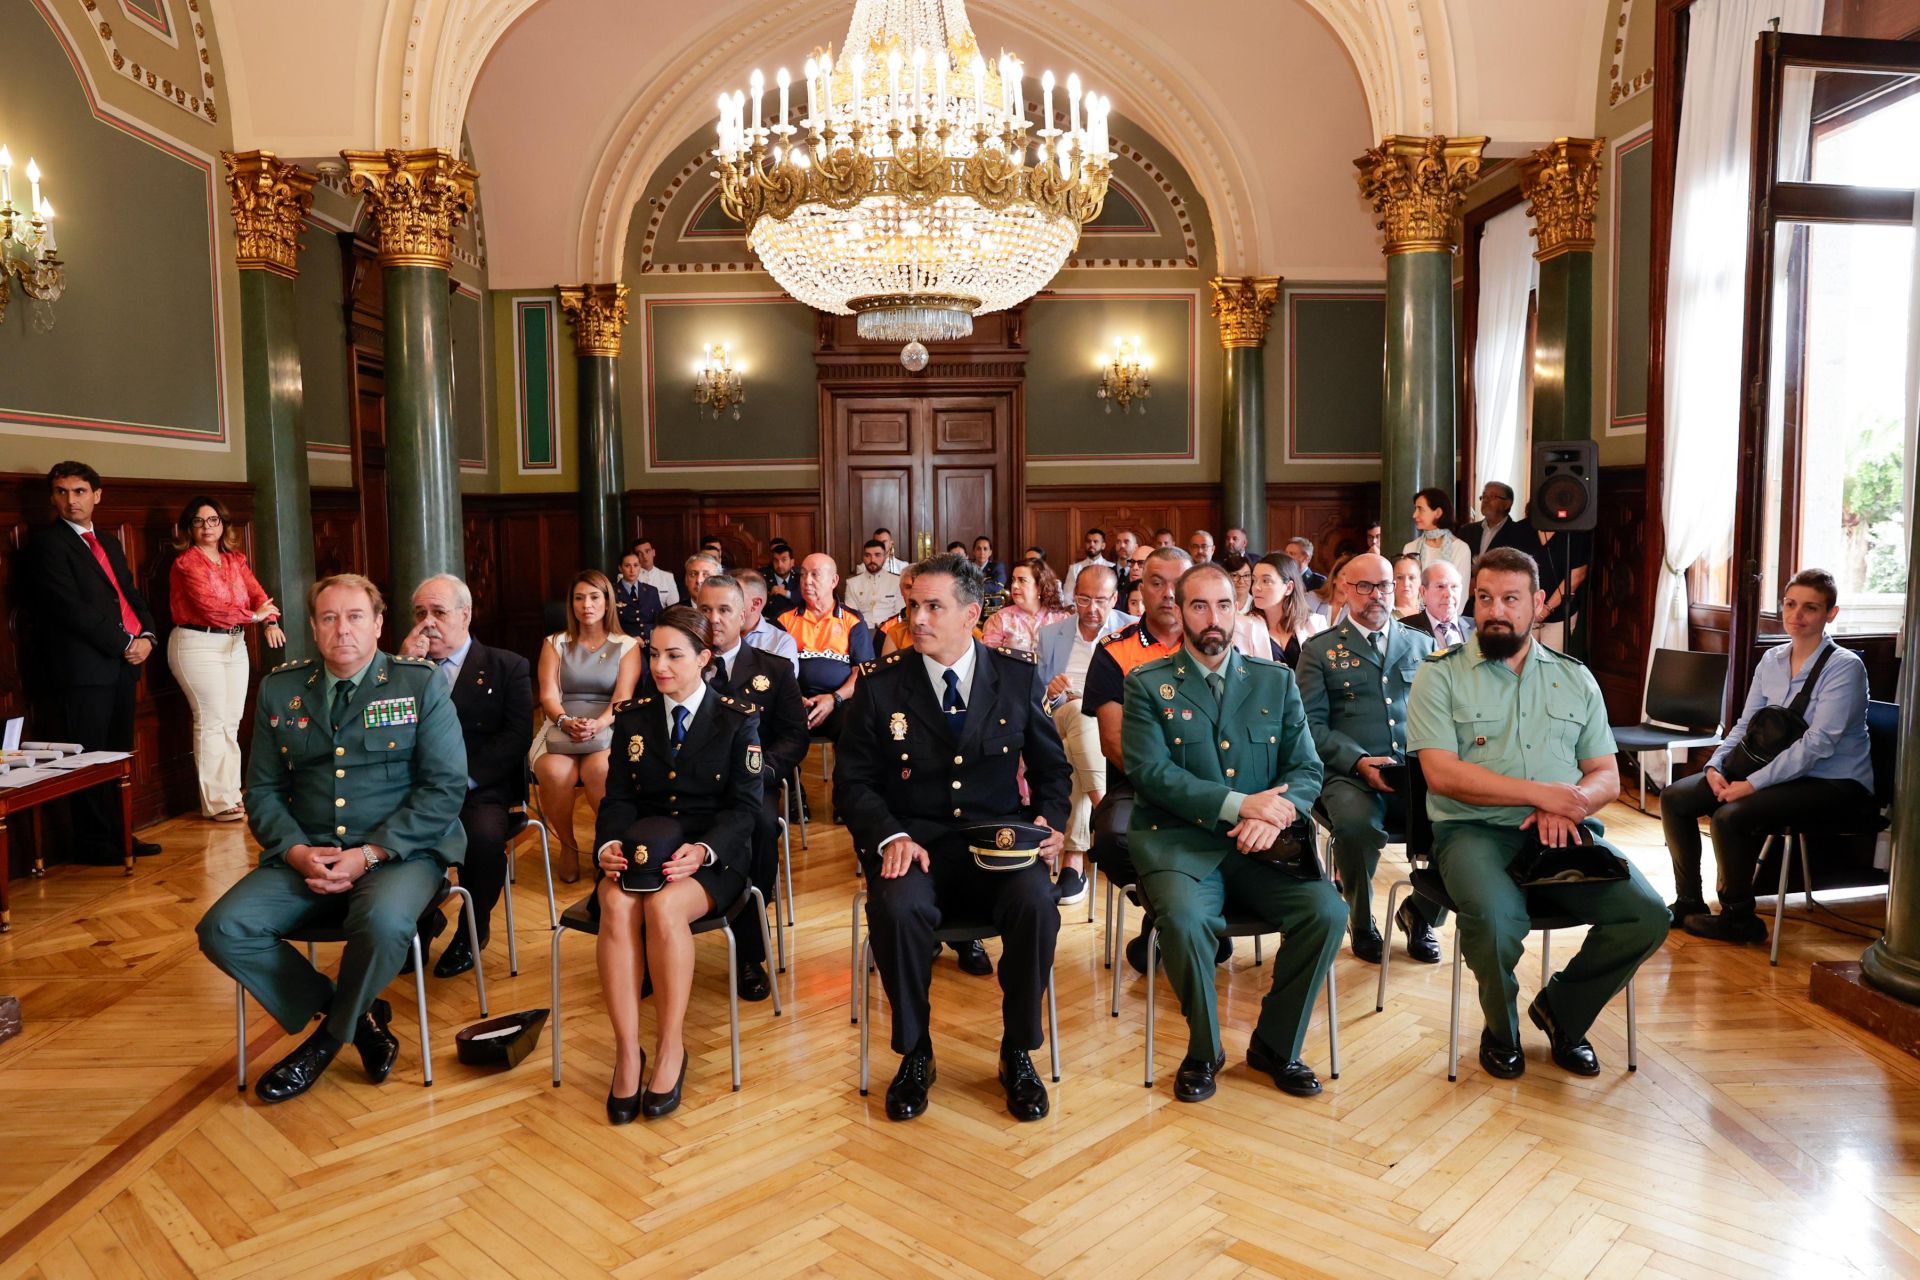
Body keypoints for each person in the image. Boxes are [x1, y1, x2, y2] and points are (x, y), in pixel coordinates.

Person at [196, 574, 465, 1103]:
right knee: (224, 928)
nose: (342, 629)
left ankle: (324, 1042)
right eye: (329, 618)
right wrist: (295, 851)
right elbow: (265, 789)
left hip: (400, 852)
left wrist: (371, 853)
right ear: (314, 628)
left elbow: (445, 787)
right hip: (308, 854)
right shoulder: (282, 687)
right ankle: (359, 1017)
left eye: (355, 616)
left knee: (384, 922)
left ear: (379, 624)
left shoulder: (418, 683)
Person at [1406, 547, 1669, 1080]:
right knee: (1499, 921)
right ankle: (1500, 1031)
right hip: (1472, 832)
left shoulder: (1576, 678)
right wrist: (1542, 794)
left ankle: (1562, 1014)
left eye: (1510, 598)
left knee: (1646, 915)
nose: (1494, 610)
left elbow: (1604, 776)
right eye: (1484, 598)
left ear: (1539, 605)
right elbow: (1443, 775)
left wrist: (1569, 805)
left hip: (1564, 832)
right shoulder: (1441, 675)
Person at [834, 554, 1072, 1123]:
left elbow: (1052, 770)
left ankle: (1018, 1049)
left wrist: (1048, 821)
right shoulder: (881, 686)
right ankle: (916, 1053)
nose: (917, 618)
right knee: (896, 906)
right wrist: (888, 835)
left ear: (970, 615)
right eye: (913, 605)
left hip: (998, 847)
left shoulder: (1014, 676)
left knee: (1038, 902)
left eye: (933, 607)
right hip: (915, 845)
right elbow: (853, 783)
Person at [1123, 562, 1343, 1102]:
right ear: (1179, 612)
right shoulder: (1147, 685)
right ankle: (1204, 1050)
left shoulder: (1276, 679)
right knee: (1184, 919)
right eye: (1199, 606)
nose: (1213, 618)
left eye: (1223, 605)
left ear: (1238, 608)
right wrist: (1241, 805)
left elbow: (1307, 769)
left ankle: (1275, 1045)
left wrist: (1278, 815)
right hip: (1180, 843)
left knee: (1328, 912)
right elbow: (1152, 774)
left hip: (1265, 847)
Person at [592, 606, 763, 1122]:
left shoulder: (737, 718)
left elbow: (745, 809)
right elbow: (618, 798)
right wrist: (607, 847)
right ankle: (627, 1052)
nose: (660, 666)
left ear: (704, 659)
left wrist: (703, 850)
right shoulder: (635, 717)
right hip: (643, 850)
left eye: (673, 655)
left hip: (711, 857)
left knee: (664, 909)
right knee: (617, 908)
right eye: (653, 654)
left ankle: (670, 1047)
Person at [1664, 569, 1875, 944]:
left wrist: (1751, 785)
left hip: (1835, 783)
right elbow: (1745, 725)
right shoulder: (1772, 659)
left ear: (1831, 613)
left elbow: (1818, 745)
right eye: (1791, 604)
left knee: (1730, 816)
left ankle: (1738, 918)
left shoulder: (1845, 666)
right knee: (1675, 798)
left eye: (1811, 608)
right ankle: (1689, 901)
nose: (1797, 615)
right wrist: (1715, 766)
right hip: (1774, 772)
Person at [1297, 553, 1443, 965]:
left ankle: (1421, 912)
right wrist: (1359, 761)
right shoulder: (1320, 651)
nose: (1376, 596)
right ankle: (1360, 920)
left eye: (1384, 586)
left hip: (1416, 771)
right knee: (1359, 826)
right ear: (1344, 589)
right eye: (1365, 586)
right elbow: (1310, 724)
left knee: (1461, 822)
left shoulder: (1423, 644)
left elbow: (1442, 716)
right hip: (1349, 775)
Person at [394, 573, 533, 978]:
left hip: (480, 788)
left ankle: (473, 928)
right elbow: (386, 732)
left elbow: (515, 736)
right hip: (415, 789)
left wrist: (461, 781)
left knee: (484, 839)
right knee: (397, 839)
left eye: (438, 612)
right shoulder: (402, 668)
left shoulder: (507, 666)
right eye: (420, 614)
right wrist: (406, 668)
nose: (428, 623)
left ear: (465, 615)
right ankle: (420, 923)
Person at [28, 461, 162, 863]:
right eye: (62, 492)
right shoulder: (48, 545)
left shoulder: (108, 541)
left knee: (117, 755)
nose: (71, 500)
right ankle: (93, 843)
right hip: (83, 671)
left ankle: (120, 835)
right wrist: (125, 643)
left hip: (122, 665)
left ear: (96, 495)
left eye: (80, 491)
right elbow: (71, 609)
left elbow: (129, 595)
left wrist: (149, 637)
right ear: (53, 497)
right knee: (88, 758)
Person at [1084, 546, 1199, 971]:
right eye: (1157, 583)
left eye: (1178, 584)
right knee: (1113, 838)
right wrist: (1171, 790)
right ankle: (1166, 912)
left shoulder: (1214, 641)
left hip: (1212, 779)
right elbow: (1114, 742)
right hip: (1139, 783)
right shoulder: (1115, 650)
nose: (1169, 593)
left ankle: (1184, 919)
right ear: (1141, 590)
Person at [695, 574, 810, 997]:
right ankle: (656, 943)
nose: (714, 619)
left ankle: (749, 953)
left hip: (751, 784)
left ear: (745, 614)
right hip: (687, 787)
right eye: (705, 609)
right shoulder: (674, 664)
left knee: (761, 824)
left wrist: (762, 770)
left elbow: (794, 737)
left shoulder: (772, 670)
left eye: (724, 610)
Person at [167, 495, 284, 823]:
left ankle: (232, 794)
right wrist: (257, 618)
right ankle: (217, 802)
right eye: (199, 522)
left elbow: (258, 594)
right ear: (189, 527)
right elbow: (211, 609)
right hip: (196, 643)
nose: (207, 527)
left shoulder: (235, 560)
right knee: (211, 719)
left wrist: (269, 621)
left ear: (223, 524)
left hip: (234, 644)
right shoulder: (187, 563)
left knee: (231, 722)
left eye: (213, 520)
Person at [534, 570, 643, 882]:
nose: (587, 605)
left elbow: (622, 699)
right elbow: (548, 694)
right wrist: (566, 721)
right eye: (579, 598)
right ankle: (567, 846)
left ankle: (605, 844)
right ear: (571, 604)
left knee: (600, 771)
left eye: (595, 597)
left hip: (608, 724)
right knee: (556, 772)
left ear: (608, 601)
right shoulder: (555, 642)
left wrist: (598, 724)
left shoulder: (626, 645)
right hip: (561, 723)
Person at [1037, 564, 1134, 905]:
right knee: (1079, 714)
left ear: (1115, 598)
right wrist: (1050, 690)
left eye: (1100, 601)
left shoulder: (1132, 631)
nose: (1092, 609)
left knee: (1076, 746)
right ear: (1072, 598)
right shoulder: (1051, 635)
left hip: (1107, 724)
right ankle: (1104, 807)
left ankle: (1073, 861)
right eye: (1083, 599)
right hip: (1060, 714)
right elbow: (1035, 700)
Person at [777, 552, 875, 738]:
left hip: (841, 701)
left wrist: (834, 698)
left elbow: (862, 673)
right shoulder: (785, 619)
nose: (807, 581)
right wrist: (794, 699)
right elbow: (775, 671)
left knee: (854, 724)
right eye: (803, 574)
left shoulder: (853, 621)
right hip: (795, 700)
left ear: (834, 580)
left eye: (815, 574)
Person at [1243, 553, 1326, 669]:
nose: (1256, 587)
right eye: (1254, 580)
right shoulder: (1243, 626)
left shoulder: (1316, 623)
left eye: (1266, 581)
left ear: (1289, 588)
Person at [1531, 513, 1591, 652]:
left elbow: (1577, 575)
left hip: (1559, 613)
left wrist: (1546, 608)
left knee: (1552, 663)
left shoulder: (1575, 533)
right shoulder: (1520, 529)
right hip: (1526, 612)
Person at [982, 561, 1069, 653]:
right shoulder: (999, 619)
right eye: (1013, 580)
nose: (1014, 585)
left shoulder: (1060, 620)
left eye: (1022, 580)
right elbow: (989, 659)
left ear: (1039, 587)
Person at [735, 568, 801, 677]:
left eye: (734, 598)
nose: (725, 602)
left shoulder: (781, 642)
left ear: (755, 604)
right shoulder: (714, 635)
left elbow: (783, 689)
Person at [1403, 487, 1473, 585]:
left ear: (1438, 513)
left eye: (1420, 509)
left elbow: (1462, 592)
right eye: (1415, 509)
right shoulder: (1410, 548)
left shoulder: (1460, 548)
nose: (1414, 515)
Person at [1402, 561, 1474, 650]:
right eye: (1440, 586)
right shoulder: (1404, 629)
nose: (1449, 594)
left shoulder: (1477, 627)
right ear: (1423, 592)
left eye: (1454, 586)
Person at [1459, 481, 1536, 559]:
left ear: (1507, 504)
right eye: (1484, 496)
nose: (1485, 500)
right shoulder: (1466, 531)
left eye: (1492, 496)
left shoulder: (1521, 534)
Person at [844, 539, 905, 627]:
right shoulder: (852, 584)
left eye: (877, 555)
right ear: (863, 558)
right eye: (867, 555)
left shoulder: (897, 581)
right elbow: (851, 615)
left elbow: (900, 612)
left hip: (890, 631)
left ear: (884, 557)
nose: (872, 560)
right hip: (863, 631)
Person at [612, 551, 664, 639]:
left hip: (650, 644)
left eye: (636, 565)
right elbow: (610, 625)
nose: (632, 570)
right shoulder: (612, 592)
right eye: (627, 566)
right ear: (620, 568)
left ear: (640, 567)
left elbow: (659, 621)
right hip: (625, 644)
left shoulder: (651, 591)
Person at [877, 565, 919, 655]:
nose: (913, 593)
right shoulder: (887, 628)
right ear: (901, 590)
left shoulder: (941, 624)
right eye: (908, 587)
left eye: (918, 587)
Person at [628, 537, 681, 608]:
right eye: (639, 553)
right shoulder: (629, 576)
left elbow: (674, 607)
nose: (644, 556)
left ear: (653, 552)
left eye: (647, 551)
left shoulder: (667, 577)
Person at [1063, 527, 1112, 598]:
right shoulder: (1074, 569)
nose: (1091, 544)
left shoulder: (1111, 567)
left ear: (1103, 545)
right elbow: (1067, 594)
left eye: (1095, 541)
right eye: (1088, 541)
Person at [762, 540, 802, 621]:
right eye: (776, 561)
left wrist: (784, 592)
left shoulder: (799, 578)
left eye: (784, 560)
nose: (779, 565)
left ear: (792, 562)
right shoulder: (763, 578)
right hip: (771, 624)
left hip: (795, 622)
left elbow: (802, 598)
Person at [1391, 553, 1423, 619]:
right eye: (1400, 577)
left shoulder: (1431, 611)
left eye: (1412, 578)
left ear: (1421, 580)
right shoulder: (1384, 613)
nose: (1406, 583)